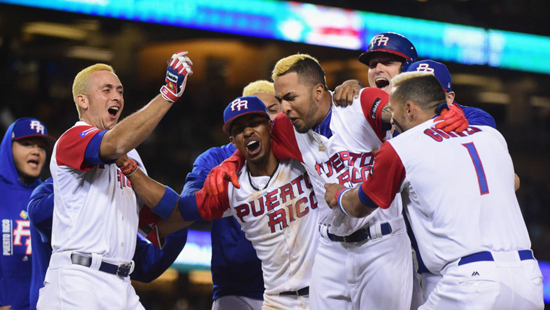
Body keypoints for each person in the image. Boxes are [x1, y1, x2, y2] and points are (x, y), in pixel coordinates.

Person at [204, 54, 467, 309]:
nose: (284, 108)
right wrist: (232, 161)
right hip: (330, 251)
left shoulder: (360, 103)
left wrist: (447, 116)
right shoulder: (286, 127)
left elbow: (410, 114)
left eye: (291, 98)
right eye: (281, 100)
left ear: (319, 91)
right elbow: (253, 143)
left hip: (381, 244)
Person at [324, 71, 544, 310]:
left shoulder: (400, 147)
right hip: (528, 279)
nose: (393, 124)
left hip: (470, 282)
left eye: (394, 114)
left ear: (409, 109)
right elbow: (512, 182)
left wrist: (338, 194)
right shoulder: (492, 136)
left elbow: (359, 206)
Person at [123, 96, 320, 309]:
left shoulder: (302, 161)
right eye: (239, 129)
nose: (248, 131)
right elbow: (180, 210)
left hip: (324, 289)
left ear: (271, 126)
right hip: (271, 297)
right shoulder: (230, 189)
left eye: (255, 123)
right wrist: (129, 167)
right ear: (232, 142)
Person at [37, 51, 193, 309]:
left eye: (120, 91)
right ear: (82, 101)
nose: (117, 97)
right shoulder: (72, 138)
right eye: (106, 90)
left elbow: (174, 217)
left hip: (122, 285)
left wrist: (132, 170)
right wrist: (168, 94)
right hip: (78, 280)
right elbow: (114, 144)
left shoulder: (131, 155)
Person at [182, 80, 280, 310]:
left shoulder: (295, 150)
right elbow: (187, 205)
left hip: (292, 286)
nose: (268, 120)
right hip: (237, 291)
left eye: (272, 111)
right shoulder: (215, 159)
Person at [26, 177, 189, 310]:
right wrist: (93, 186)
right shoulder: (60, 183)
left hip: (115, 292)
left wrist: (178, 222)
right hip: (64, 293)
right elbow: (37, 213)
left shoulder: (119, 200)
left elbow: (145, 262)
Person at [0, 117, 55, 310]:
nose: (36, 151)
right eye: (26, 144)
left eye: (41, 147)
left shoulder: (49, 197)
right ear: (8, 146)